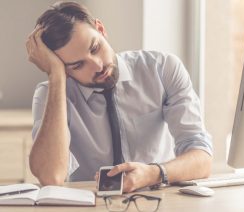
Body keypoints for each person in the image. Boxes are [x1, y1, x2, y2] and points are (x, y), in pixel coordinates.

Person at [26, 1, 213, 193]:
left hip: (158, 201)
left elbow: (202, 159)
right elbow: (51, 177)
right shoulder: (50, 95)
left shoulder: (162, 69)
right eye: (77, 65)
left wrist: (153, 173)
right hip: (92, 206)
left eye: (95, 48)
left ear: (100, 29)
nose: (97, 66)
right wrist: (56, 76)